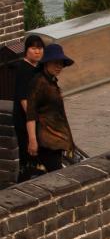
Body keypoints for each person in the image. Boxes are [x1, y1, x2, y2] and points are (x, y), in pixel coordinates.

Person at [24, 43, 76, 174]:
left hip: (56, 140)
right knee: (57, 177)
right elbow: (31, 114)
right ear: (46, 63)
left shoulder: (51, 81)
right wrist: (32, 141)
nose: (59, 66)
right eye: (55, 63)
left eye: (61, 63)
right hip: (47, 142)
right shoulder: (39, 82)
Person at [9, 34, 45, 181]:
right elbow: (24, 100)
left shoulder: (37, 67)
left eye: (40, 48)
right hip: (26, 121)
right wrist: (34, 120)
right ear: (26, 50)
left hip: (35, 119)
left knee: (35, 160)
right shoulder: (24, 69)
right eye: (33, 48)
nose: (37, 52)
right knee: (29, 157)